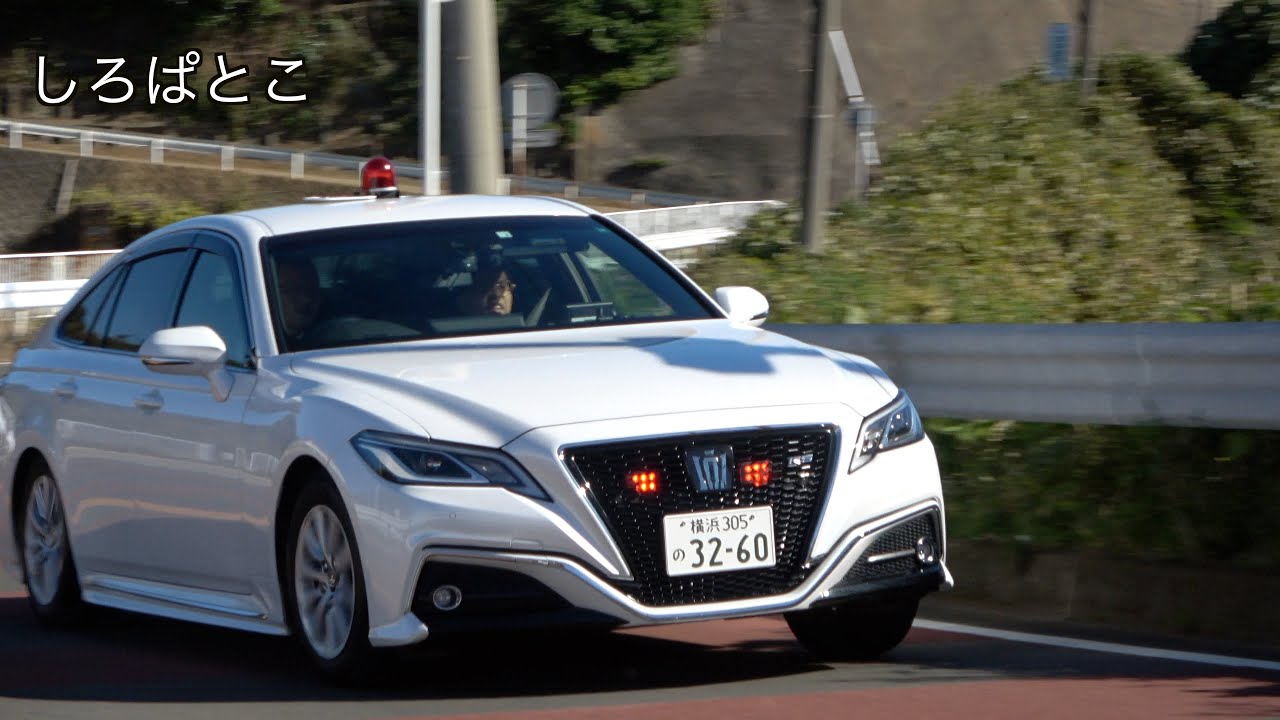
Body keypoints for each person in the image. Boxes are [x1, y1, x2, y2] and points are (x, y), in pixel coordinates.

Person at [275, 256, 323, 347]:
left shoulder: (334, 338)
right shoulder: (258, 341)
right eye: (292, 290)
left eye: (311, 289)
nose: (305, 299)